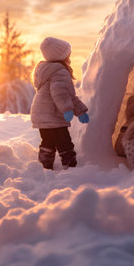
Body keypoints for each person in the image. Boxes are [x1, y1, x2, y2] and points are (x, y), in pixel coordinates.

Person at [30, 37, 89, 170]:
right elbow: (60, 94)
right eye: (68, 53)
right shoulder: (60, 71)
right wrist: (67, 109)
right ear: (61, 56)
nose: (70, 56)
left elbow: (69, 96)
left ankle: (45, 166)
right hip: (52, 114)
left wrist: (80, 111)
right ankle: (70, 166)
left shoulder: (49, 70)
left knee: (48, 142)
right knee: (64, 142)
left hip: (41, 113)